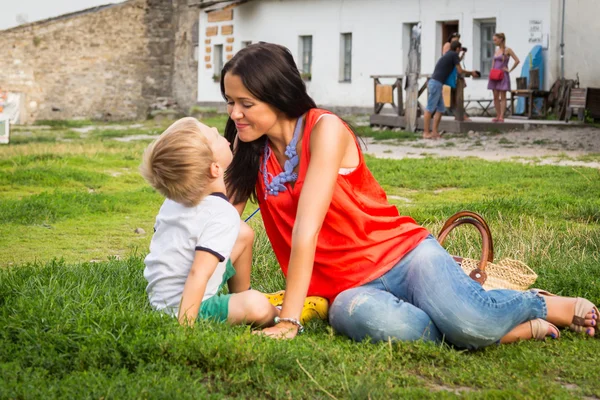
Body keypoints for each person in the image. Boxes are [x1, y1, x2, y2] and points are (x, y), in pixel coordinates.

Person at [222, 42, 598, 348]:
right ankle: (502, 333)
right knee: (370, 322)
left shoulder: (325, 130)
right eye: (230, 101)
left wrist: (288, 320)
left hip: (403, 256)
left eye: (245, 104)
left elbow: (306, 230)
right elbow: (222, 222)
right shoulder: (249, 146)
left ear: (278, 95)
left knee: (470, 321)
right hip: (349, 289)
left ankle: (543, 305)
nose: (234, 113)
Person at [140, 117, 279, 327]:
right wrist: (185, 326)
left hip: (161, 297)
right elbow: (198, 273)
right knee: (258, 305)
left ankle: (241, 294)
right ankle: (272, 312)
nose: (217, 129)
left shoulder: (173, 201)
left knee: (243, 233)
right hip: (190, 306)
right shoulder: (221, 214)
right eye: (214, 135)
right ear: (215, 169)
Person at [423, 41, 478, 139]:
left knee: (440, 109)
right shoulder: (454, 55)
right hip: (436, 84)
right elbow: (459, 70)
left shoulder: (449, 54)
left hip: (436, 83)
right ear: (457, 49)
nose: (460, 50)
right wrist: (471, 72)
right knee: (430, 108)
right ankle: (426, 133)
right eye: (460, 49)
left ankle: (434, 132)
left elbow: (455, 63)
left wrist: (462, 55)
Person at [488, 33, 520, 122]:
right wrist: (491, 72)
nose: (494, 42)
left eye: (495, 40)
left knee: (503, 96)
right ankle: (497, 115)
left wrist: (509, 70)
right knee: (495, 96)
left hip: (502, 75)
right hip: (494, 75)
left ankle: (502, 116)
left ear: (501, 39)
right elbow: (493, 63)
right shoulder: (496, 51)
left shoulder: (507, 50)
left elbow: (517, 60)